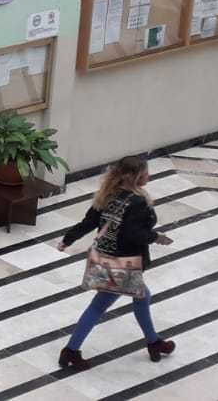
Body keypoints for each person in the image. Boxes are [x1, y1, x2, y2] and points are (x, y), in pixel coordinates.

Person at [56, 155, 176, 371]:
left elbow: (89, 222)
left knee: (141, 297)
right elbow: (134, 234)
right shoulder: (137, 201)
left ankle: (154, 342)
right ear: (137, 176)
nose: (149, 175)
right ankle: (71, 351)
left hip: (106, 256)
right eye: (146, 172)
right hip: (122, 263)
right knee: (101, 305)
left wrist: (68, 238)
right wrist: (156, 237)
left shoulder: (108, 194)